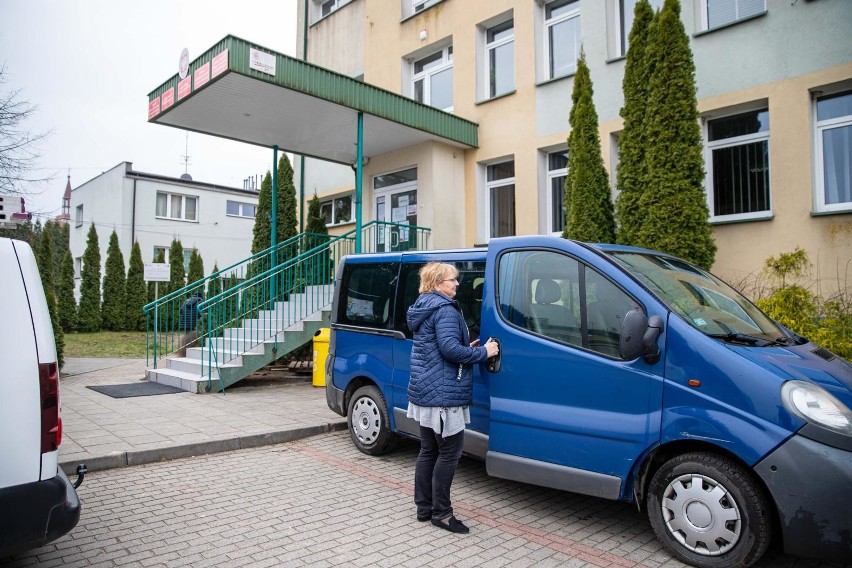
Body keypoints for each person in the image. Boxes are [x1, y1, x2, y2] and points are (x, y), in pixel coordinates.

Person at [406, 262, 499, 533]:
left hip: (426, 390)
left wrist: (463, 347)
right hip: (443, 395)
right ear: (437, 283)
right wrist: (484, 352)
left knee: (428, 450)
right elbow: (449, 351)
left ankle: (424, 508)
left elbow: (440, 346)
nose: (457, 284)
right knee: (449, 452)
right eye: (452, 280)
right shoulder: (445, 309)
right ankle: (443, 514)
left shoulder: (424, 305)